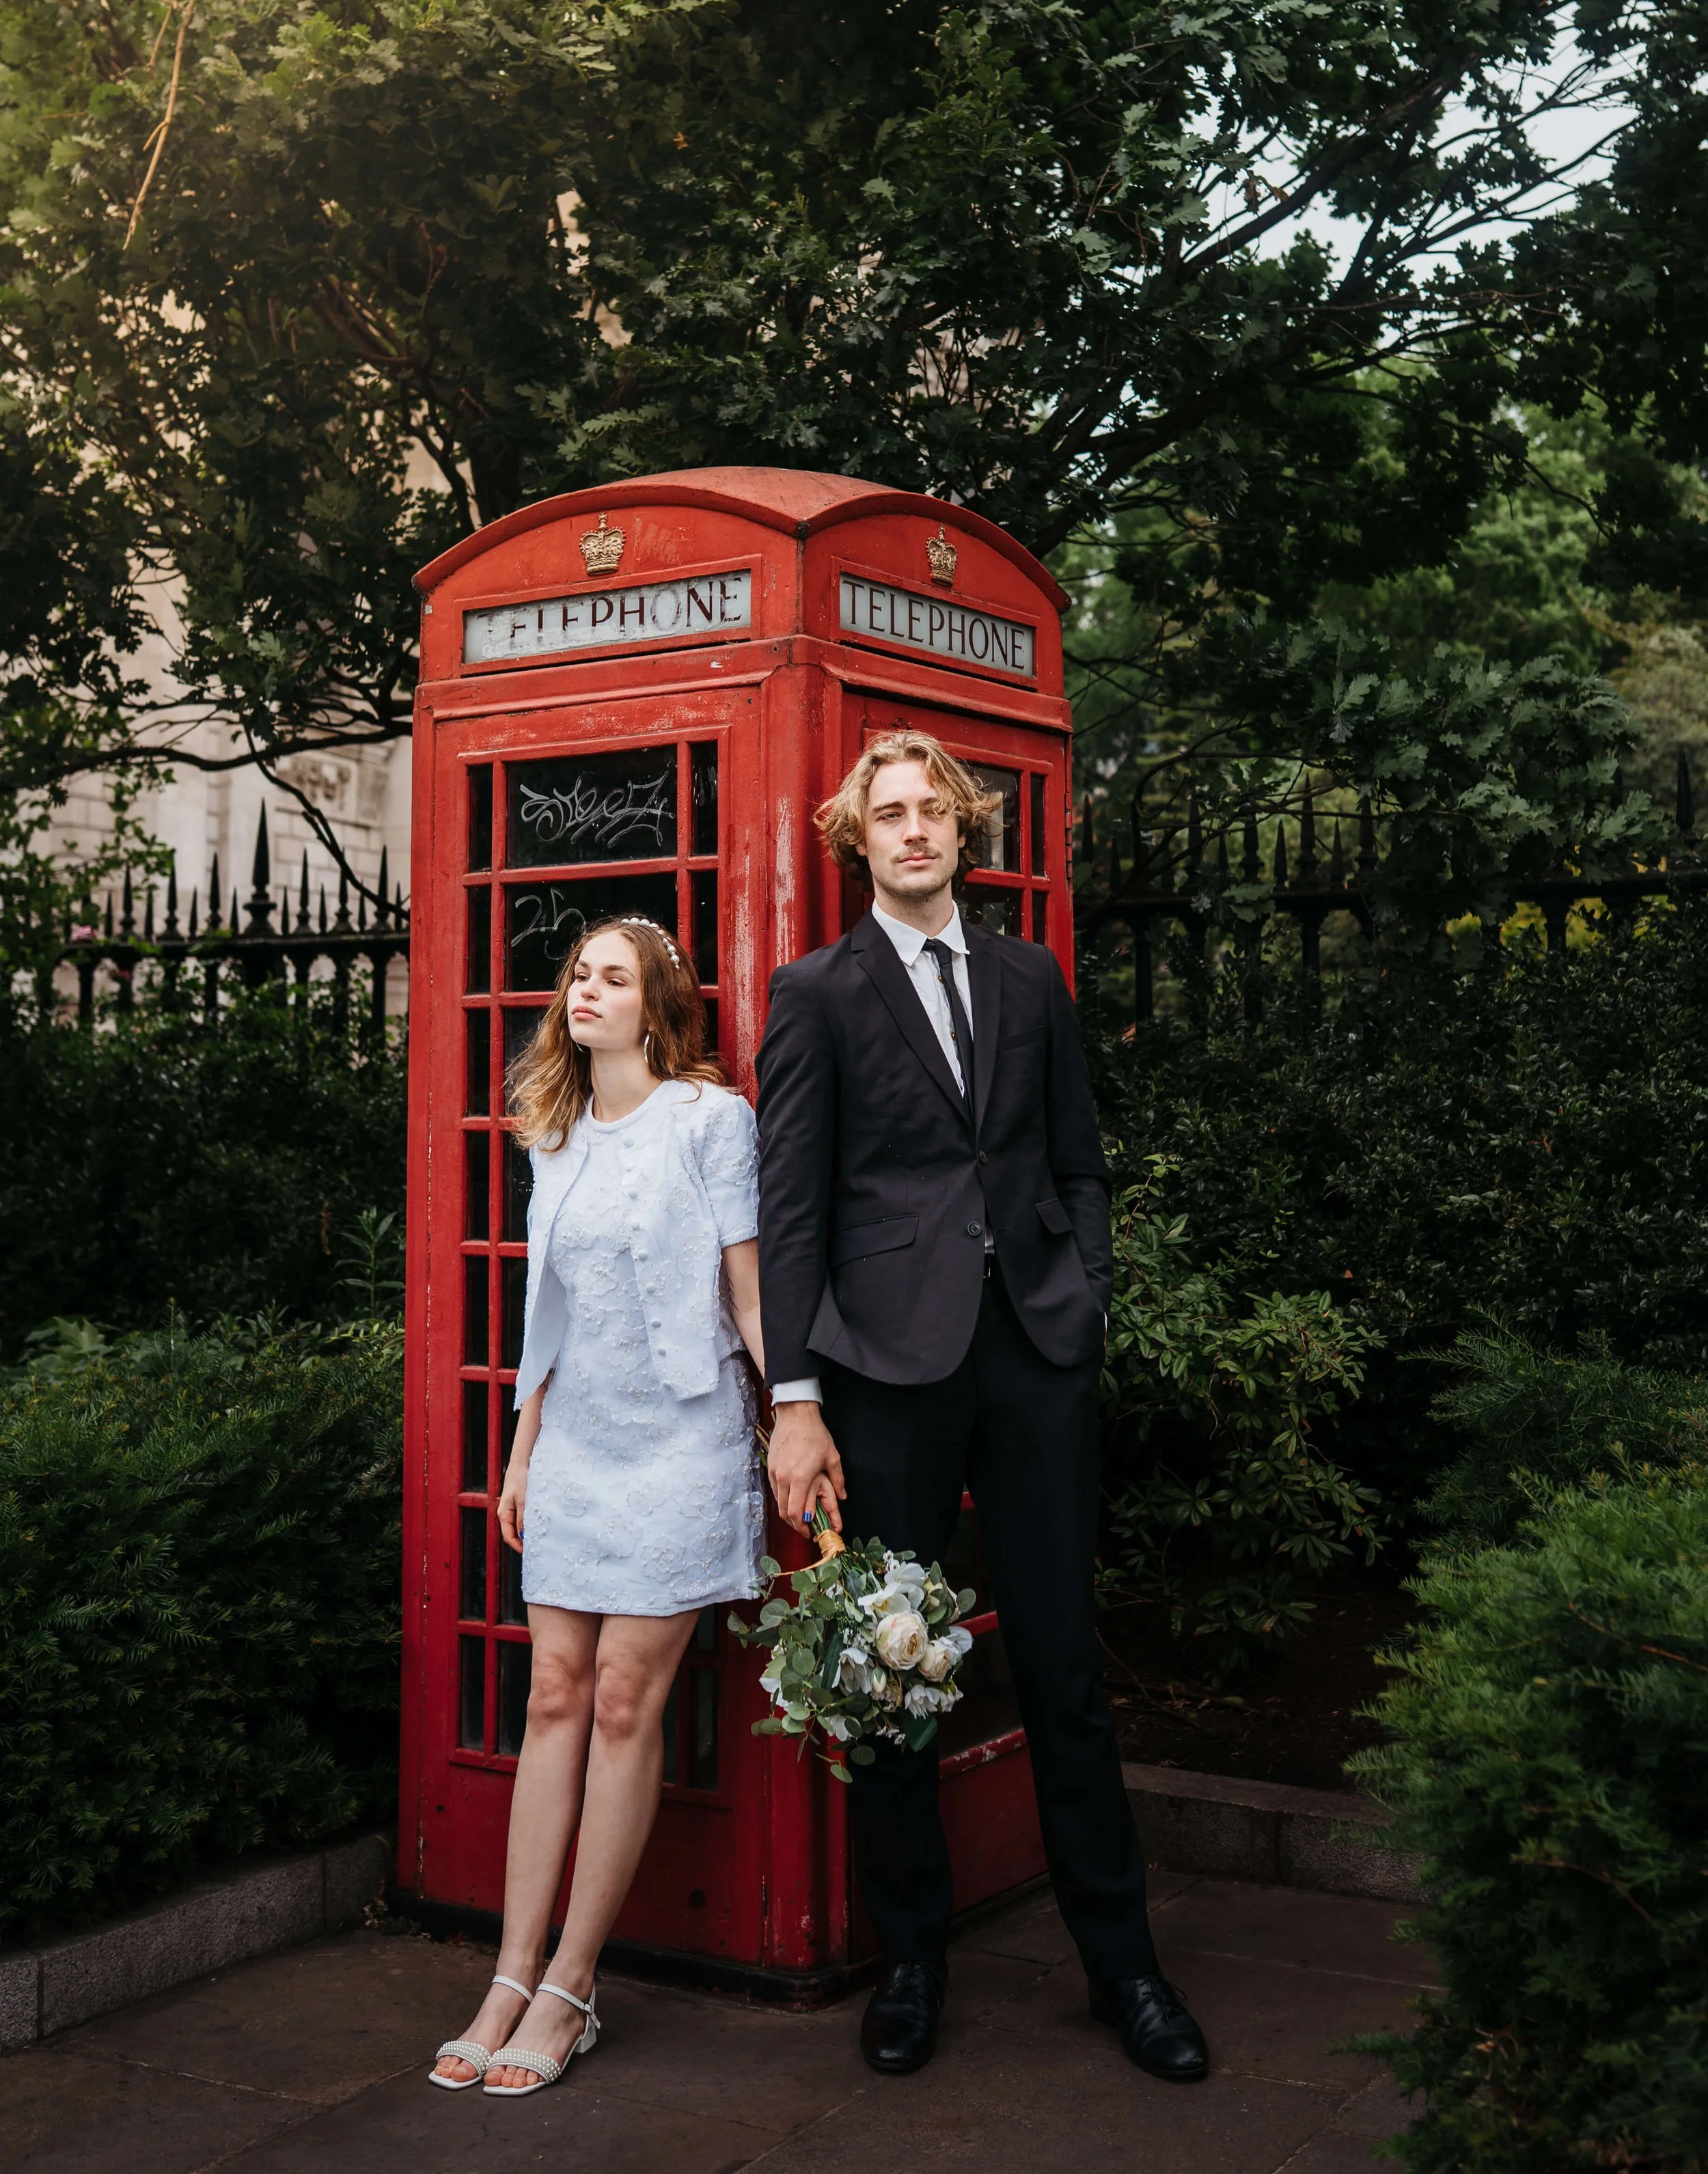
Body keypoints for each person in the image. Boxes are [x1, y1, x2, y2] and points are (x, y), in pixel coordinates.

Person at [755, 730, 1210, 2083]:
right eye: (884, 814)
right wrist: (793, 1397)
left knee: (1063, 1669)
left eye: (928, 812)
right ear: (859, 837)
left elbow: (1077, 1156)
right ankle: (909, 1961)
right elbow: (790, 1207)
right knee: (891, 1677)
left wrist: (1084, 1297)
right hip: (880, 1375)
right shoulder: (815, 992)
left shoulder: (1026, 973)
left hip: (1030, 1356)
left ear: (964, 831)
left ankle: (1122, 1966)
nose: (908, 831)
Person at [430, 915, 765, 2100]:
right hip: (575, 1439)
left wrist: (808, 1416)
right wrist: (520, 1449)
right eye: (578, 974)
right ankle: (507, 1974)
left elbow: (747, 1283)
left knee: (627, 1699)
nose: (586, 991)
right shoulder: (554, 1132)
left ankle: (572, 1985)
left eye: (613, 977)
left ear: (657, 1004)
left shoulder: (711, 1122)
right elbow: (546, 1314)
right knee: (556, 1691)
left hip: (681, 1436)